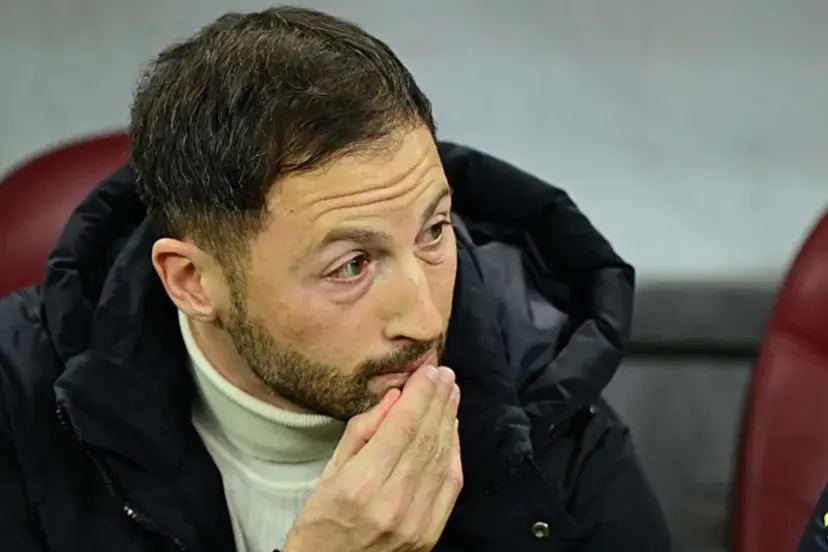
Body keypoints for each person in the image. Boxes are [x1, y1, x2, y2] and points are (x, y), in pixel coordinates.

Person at [0, 7, 669, 552]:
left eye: (433, 231)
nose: (425, 320)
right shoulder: (17, 403)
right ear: (193, 282)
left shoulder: (550, 413)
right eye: (351, 266)